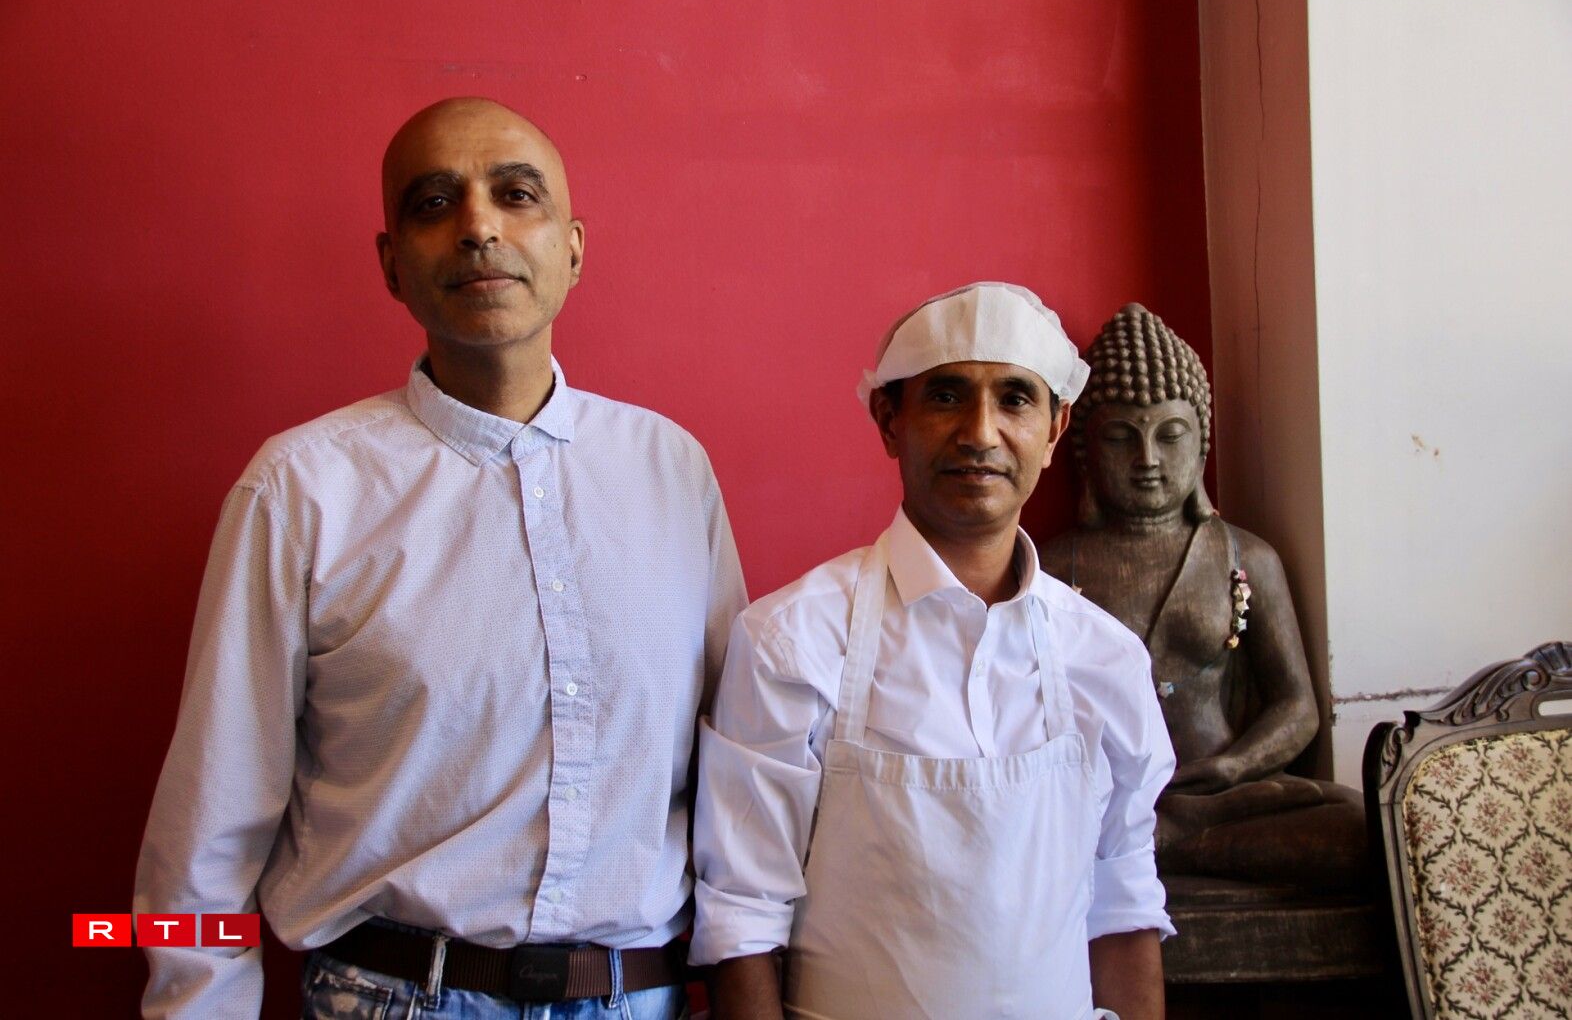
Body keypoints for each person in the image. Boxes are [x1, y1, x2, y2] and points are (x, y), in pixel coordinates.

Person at [133, 97, 747, 1020]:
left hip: (640, 997)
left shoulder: (672, 470)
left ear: (573, 248)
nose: (478, 227)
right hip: (388, 997)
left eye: (517, 195)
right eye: (433, 203)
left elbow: (736, 768)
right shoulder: (300, 490)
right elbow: (206, 825)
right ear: (391, 265)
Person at [691, 283, 1174, 1020]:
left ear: (1054, 430)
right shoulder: (793, 640)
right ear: (890, 421)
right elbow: (742, 917)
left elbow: (1123, 898)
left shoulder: (1106, 657)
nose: (980, 432)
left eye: (1015, 398)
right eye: (947, 397)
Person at [1039, 302, 1364, 887]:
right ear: (1085, 452)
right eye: (1120, 438)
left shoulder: (1246, 558)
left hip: (1221, 796)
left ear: (1201, 445)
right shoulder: (1053, 566)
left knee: (1361, 826)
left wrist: (1234, 765)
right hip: (1102, 801)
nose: (1147, 460)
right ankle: (1155, 841)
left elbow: (1297, 706)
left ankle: (1171, 844)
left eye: (1170, 436)